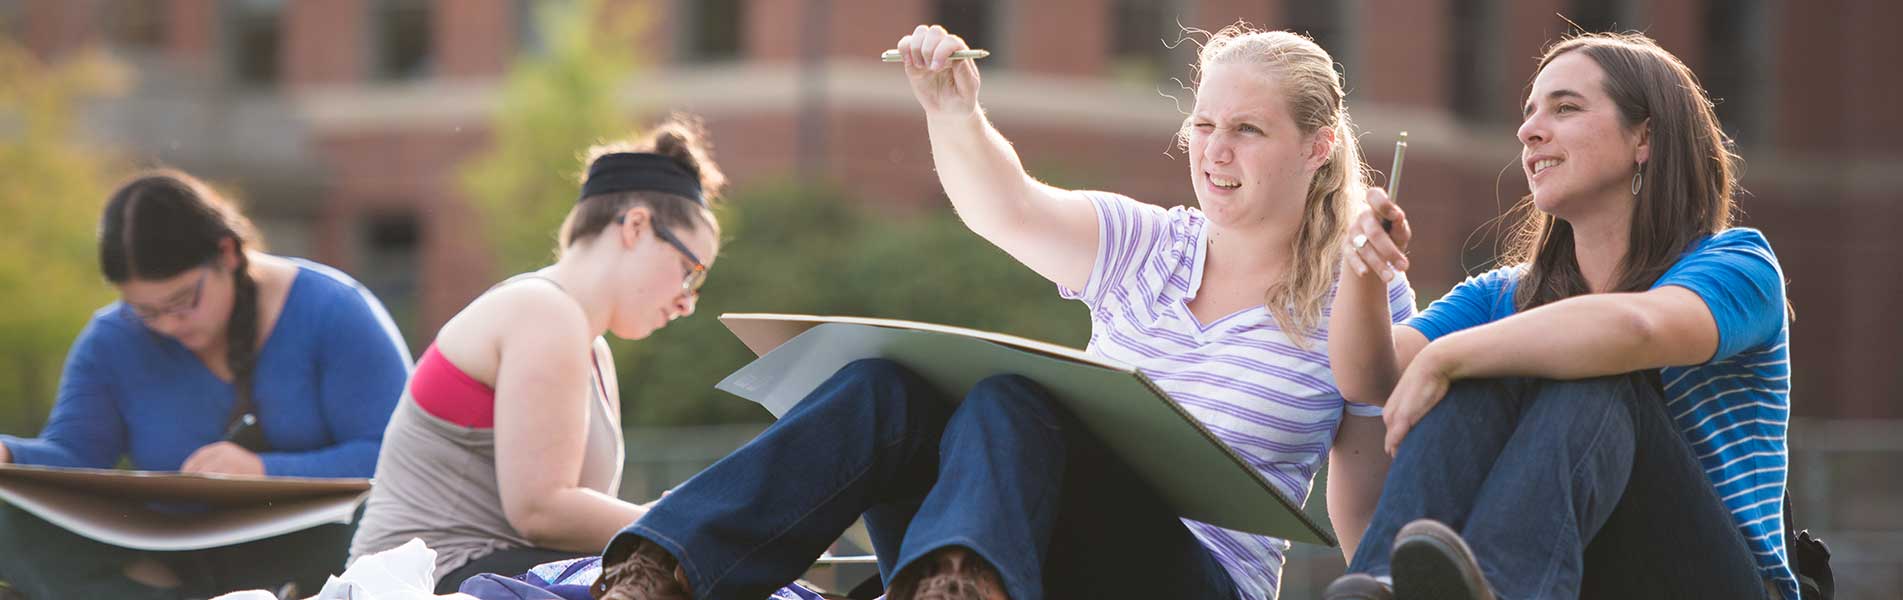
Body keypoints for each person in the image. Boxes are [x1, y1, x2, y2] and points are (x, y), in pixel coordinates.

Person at [591, 22, 1414, 600]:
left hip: (1194, 576)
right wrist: (953, 112)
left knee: (1017, 400)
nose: (1215, 151)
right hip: (1034, 552)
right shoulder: (1149, 243)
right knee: (885, 388)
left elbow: (1364, 502)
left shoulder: (1362, 287)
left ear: (1315, 146)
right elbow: (1007, 209)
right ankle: (662, 573)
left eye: (1247, 130)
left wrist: (1379, 580)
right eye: (1202, 125)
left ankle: (963, 580)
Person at [1322, 32, 1793, 600]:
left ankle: (1504, 586)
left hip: (1708, 578)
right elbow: (1369, 380)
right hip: (1581, 577)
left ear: (1644, 137)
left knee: (1588, 366)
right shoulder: (1504, 294)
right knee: (1491, 362)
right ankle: (1383, 582)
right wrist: (1362, 272)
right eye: (1528, 114)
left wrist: (1450, 356)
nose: (1528, 130)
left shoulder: (1737, 263)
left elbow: (1635, 329)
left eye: (1565, 108)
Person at [346, 114, 725, 594]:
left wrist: (674, 520)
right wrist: (681, 524)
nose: (688, 302)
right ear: (635, 226)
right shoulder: (544, 312)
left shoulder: (589, 346)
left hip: (484, 576)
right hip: (424, 583)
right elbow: (541, 511)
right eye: (690, 271)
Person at [0, 169, 413, 599]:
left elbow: (397, 456)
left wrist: (262, 472)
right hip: (167, 558)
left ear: (228, 253)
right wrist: (11, 454)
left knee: (370, 530)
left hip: (312, 550)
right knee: (11, 522)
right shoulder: (112, 338)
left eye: (183, 302)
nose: (168, 325)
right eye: (146, 311)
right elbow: (73, 457)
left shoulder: (334, 311)